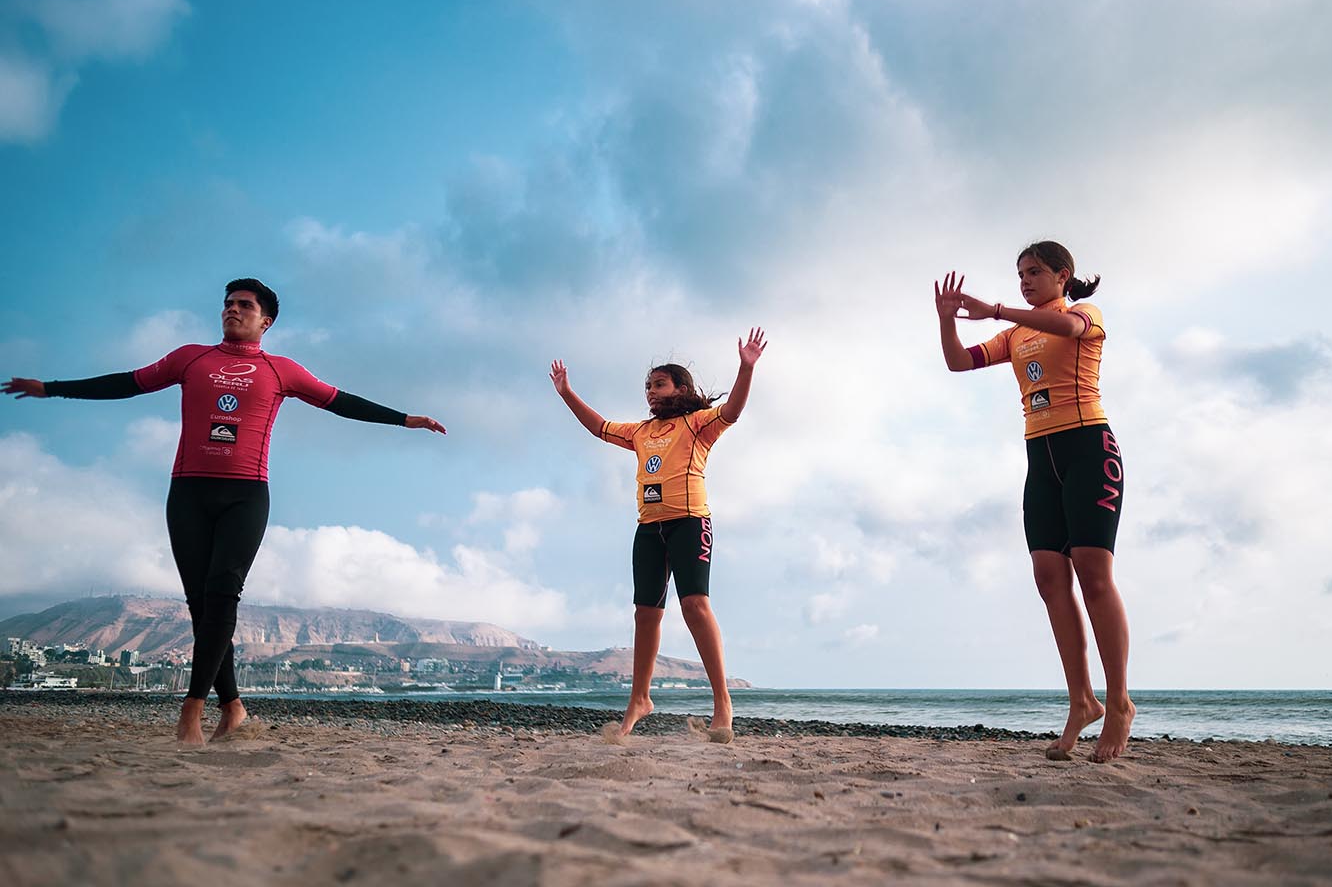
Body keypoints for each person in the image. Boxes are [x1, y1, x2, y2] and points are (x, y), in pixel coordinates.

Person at [3, 279, 446, 745]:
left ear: (265, 320)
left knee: (222, 596)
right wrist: (51, 389)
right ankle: (233, 707)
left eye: (244, 305)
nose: (232, 310)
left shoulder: (282, 370)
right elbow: (125, 384)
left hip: (246, 495)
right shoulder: (190, 358)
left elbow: (341, 402)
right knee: (202, 608)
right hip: (188, 493)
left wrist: (404, 419)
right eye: (228, 304)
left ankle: (191, 710)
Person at [935, 243, 1134, 763]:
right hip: (1039, 459)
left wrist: (993, 308)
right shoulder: (1016, 335)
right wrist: (947, 320)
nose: (1024, 281)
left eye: (1035, 272)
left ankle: (1118, 704)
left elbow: (1067, 332)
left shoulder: (1082, 313)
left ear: (1062, 276)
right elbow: (958, 362)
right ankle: (1081, 701)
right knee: (1049, 577)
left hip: (1089, 448)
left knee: (1093, 573)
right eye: (1019, 273)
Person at [549, 329, 767, 743]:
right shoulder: (640, 433)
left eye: (659, 384)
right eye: (647, 386)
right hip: (649, 529)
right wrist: (566, 393)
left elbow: (733, 411)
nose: (651, 392)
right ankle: (640, 699)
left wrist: (746, 367)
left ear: (681, 388)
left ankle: (723, 701)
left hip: (689, 522)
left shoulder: (698, 424)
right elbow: (599, 427)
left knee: (695, 606)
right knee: (645, 614)